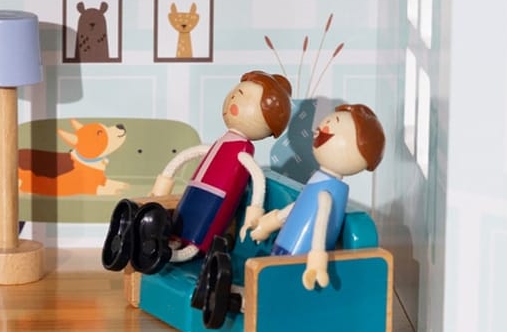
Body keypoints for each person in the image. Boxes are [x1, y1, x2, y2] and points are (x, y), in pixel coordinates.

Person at [102, 70, 291, 274]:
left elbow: (257, 178)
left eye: (242, 98)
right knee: (178, 230)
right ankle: (145, 244)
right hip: (195, 191)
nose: (232, 101)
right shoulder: (223, 142)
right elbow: (188, 155)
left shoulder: (242, 151)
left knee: (194, 241)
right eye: (234, 95)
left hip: (215, 200)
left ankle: (152, 249)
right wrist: (162, 187)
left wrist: (254, 214)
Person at [250, 103, 385, 289]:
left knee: (282, 287)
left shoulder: (330, 190)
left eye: (333, 123)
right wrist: (269, 223)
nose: (321, 128)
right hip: (284, 247)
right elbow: (300, 206)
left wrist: (317, 260)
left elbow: (321, 221)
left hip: (300, 258)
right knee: (273, 283)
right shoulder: (322, 182)